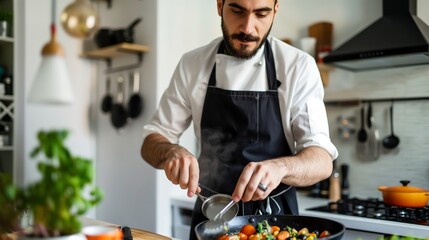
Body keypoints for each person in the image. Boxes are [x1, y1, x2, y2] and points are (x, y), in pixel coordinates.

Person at [141, 0, 338, 239]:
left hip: (276, 223)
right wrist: (170, 151)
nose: (248, 28)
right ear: (219, 5)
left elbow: (321, 160)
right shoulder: (193, 64)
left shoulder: (298, 66)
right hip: (212, 215)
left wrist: (280, 167)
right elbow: (152, 141)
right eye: (237, 11)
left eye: (261, 14)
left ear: (275, 10)